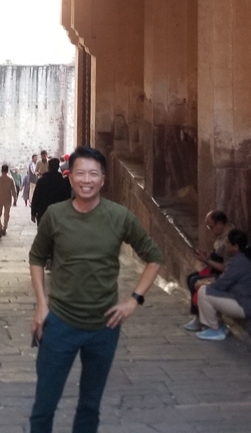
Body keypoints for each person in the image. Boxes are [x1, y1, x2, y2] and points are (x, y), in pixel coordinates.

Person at [28, 145, 163, 433]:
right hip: (60, 325)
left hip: (104, 328)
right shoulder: (55, 216)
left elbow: (154, 257)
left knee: (89, 407)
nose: (86, 180)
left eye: (93, 174)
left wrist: (133, 300)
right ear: (70, 177)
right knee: (43, 408)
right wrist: (41, 304)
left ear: (103, 179)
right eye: (80, 173)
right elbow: (37, 257)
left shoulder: (120, 216)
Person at [195, 229, 251, 340]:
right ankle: (218, 325)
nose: (226, 245)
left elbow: (221, 284)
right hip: (250, 302)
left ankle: (214, 329)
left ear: (235, 246)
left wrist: (204, 284)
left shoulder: (238, 262)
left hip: (245, 305)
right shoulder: (246, 257)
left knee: (203, 292)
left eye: (228, 243)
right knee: (208, 290)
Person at [184, 209, 233, 332]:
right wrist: (208, 255)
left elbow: (226, 267)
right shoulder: (221, 236)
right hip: (216, 270)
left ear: (220, 224)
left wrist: (206, 261)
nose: (211, 230)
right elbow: (218, 254)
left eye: (212, 227)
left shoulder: (230, 240)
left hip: (224, 276)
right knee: (191, 278)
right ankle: (198, 315)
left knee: (195, 281)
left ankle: (207, 319)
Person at [31, 157, 71, 225]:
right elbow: (67, 198)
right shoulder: (63, 182)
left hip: (43, 212)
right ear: (58, 167)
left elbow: (36, 197)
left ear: (48, 167)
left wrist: (33, 213)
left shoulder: (42, 181)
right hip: (59, 213)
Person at [0, 163, 18, 239]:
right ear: (7, 170)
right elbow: (14, 190)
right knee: (6, 214)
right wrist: (15, 199)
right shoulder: (10, 178)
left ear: (1, 170)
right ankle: (4, 228)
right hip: (7, 199)